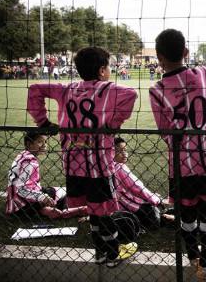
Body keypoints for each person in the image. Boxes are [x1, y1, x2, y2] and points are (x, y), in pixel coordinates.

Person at [27, 46, 138, 268]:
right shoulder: (108, 89)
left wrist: (43, 122)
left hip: (73, 165)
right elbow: (132, 94)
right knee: (103, 211)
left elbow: (35, 89)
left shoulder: (66, 89)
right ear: (102, 70)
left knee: (93, 211)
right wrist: (113, 125)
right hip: (99, 165)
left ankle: (99, 252)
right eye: (108, 67)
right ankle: (113, 253)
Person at [149, 29, 206, 280]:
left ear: (159, 57)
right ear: (186, 52)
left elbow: (165, 133)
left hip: (181, 165)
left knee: (186, 216)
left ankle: (192, 257)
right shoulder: (203, 74)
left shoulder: (157, 90)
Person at [6, 132, 88, 221]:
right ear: (29, 144)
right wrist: (42, 197)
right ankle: (65, 211)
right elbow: (21, 189)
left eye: (45, 142)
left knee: (52, 191)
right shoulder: (30, 162)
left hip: (14, 202)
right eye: (40, 142)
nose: (44, 145)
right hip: (23, 204)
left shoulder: (22, 156)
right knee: (60, 196)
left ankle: (43, 209)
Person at [113, 137, 163, 230]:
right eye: (119, 151)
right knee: (156, 214)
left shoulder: (107, 166)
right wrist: (156, 199)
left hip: (116, 207)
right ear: (111, 153)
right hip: (131, 207)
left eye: (125, 150)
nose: (124, 154)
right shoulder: (120, 168)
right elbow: (137, 187)